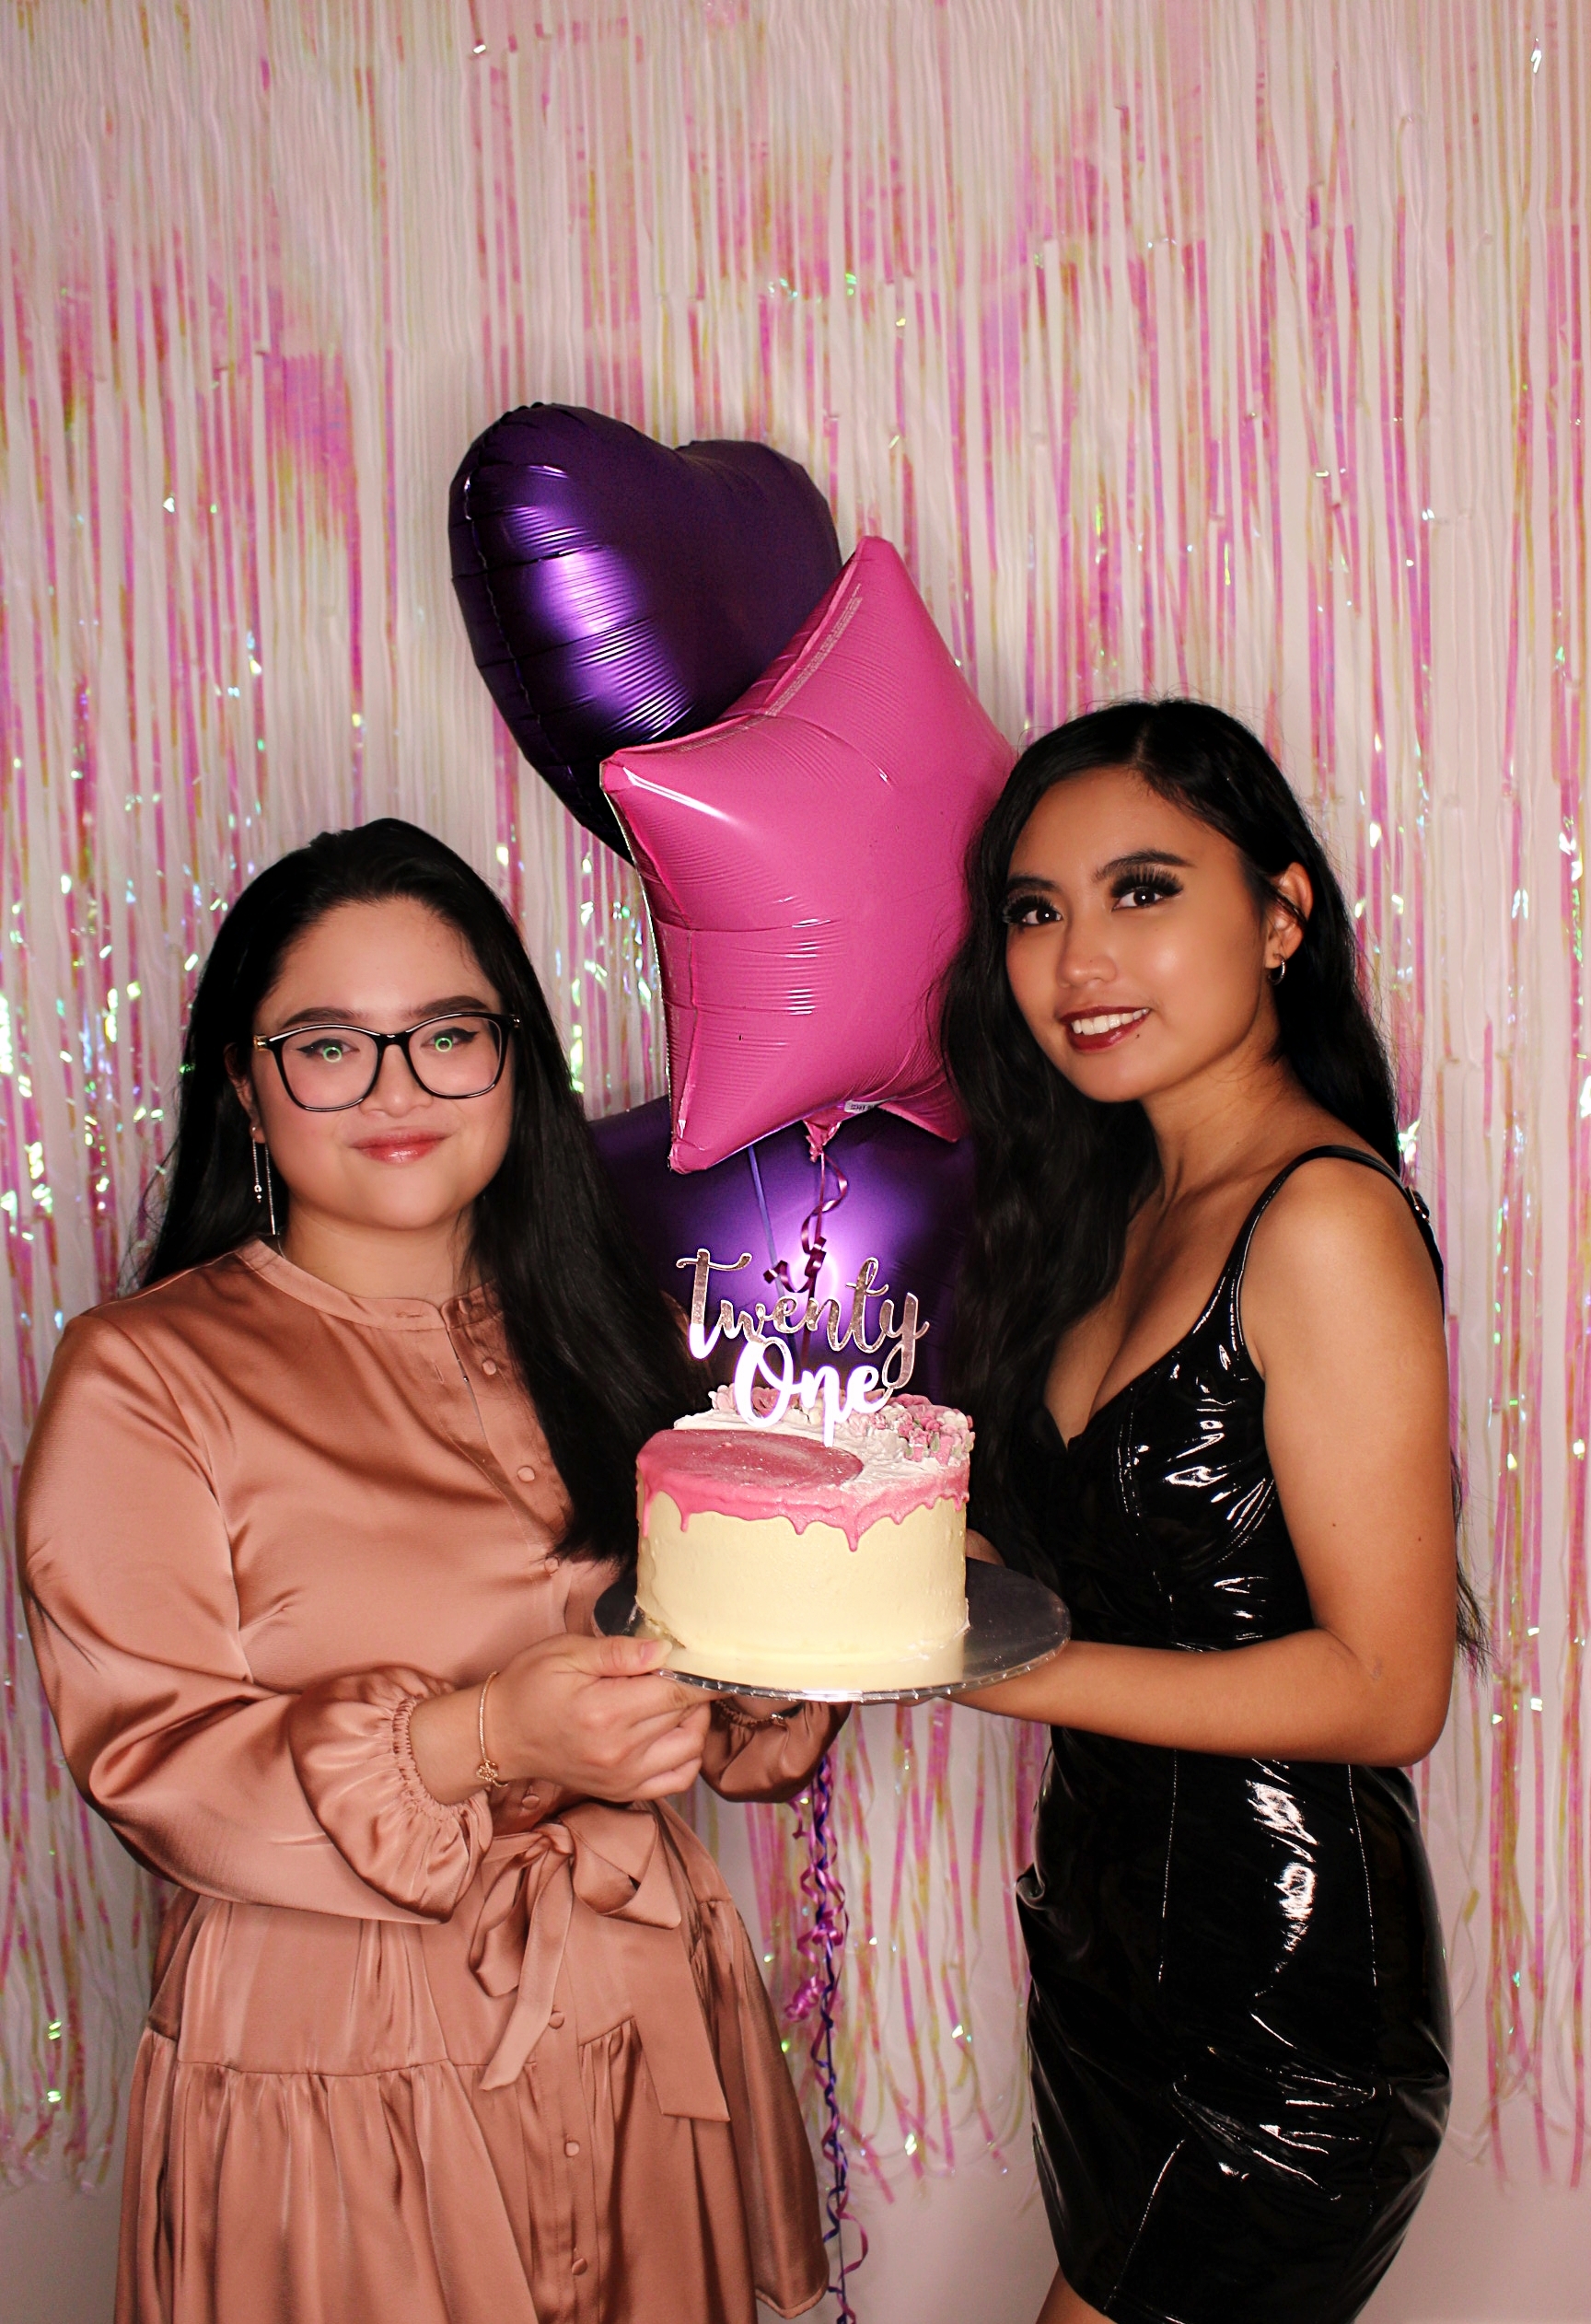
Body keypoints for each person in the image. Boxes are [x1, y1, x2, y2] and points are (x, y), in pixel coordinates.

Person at [19, 819, 840, 2324]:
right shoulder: (146, 1372)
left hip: (637, 2033)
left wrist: (806, 1654)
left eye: (449, 1035)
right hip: (335, 2082)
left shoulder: (601, 1327)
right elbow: (155, 1765)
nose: (398, 1090)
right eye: (331, 1046)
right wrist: (488, 1738)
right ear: (246, 1087)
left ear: (515, 1061)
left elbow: (708, 1695)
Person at [942, 702, 1474, 2324]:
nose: (1080, 959)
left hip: (1285, 2004)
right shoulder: (1108, 1208)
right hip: (1107, 1979)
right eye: (1036, 910)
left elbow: (1387, 1691)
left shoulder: (1322, 1220)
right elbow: (1097, 1567)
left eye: (1145, 890)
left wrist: (1002, 1673)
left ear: (1282, 914)